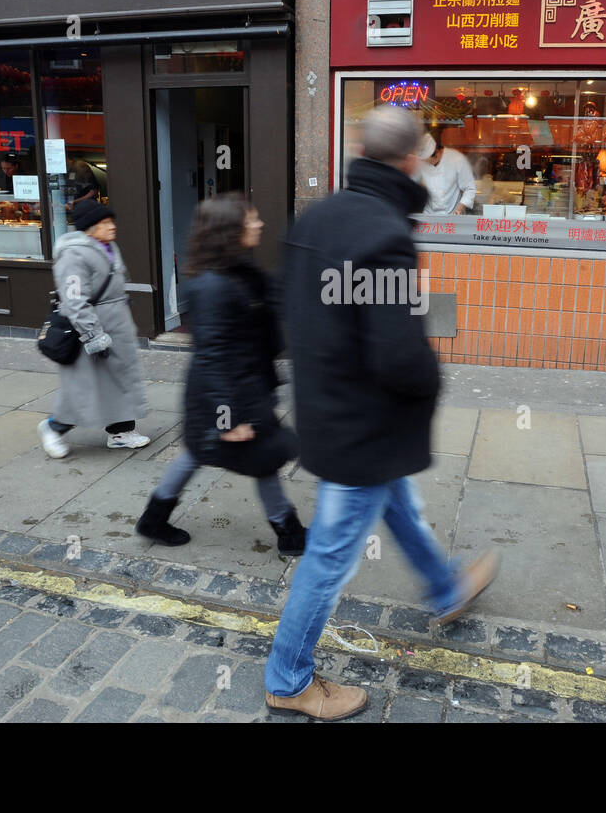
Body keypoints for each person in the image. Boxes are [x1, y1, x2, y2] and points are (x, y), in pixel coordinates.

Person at [263, 105, 499, 720]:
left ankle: (445, 588)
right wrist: (429, 384)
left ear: (361, 152)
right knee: (332, 557)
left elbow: (288, 313)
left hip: (330, 412)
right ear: (412, 159)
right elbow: (400, 354)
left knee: (397, 502)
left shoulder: (317, 218)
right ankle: (288, 680)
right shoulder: (385, 235)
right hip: (362, 427)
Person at [134, 194, 306, 555]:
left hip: (242, 387)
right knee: (262, 458)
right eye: (252, 220)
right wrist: (228, 419)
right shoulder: (212, 286)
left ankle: (153, 518)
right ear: (230, 230)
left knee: (199, 452)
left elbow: (270, 305)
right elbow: (212, 357)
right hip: (228, 396)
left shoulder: (240, 272)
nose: (259, 225)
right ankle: (289, 532)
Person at [37, 200, 151, 456]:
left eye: (111, 221)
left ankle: (121, 432)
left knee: (120, 379)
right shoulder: (73, 255)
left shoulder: (107, 246)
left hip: (116, 323)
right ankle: (54, 428)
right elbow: (74, 299)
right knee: (85, 388)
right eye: (105, 223)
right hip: (90, 329)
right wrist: (93, 336)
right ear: (89, 227)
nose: (112, 227)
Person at [415, 129, 475, 215]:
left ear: (438, 152)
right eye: (424, 161)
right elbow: (413, 181)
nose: (427, 163)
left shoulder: (457, 159)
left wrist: (460, 207)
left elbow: (470, 188)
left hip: (452, 215)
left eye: (429, 160)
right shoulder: (421, 162)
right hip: (429, 215)